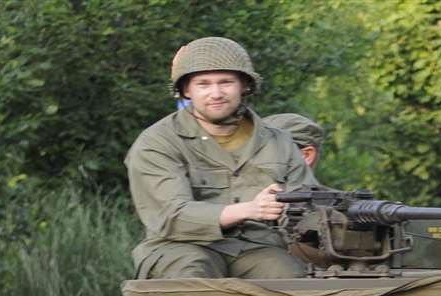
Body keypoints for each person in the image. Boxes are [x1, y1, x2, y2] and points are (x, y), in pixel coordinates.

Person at [125, 37, 313, 280]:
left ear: (244, 85)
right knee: (191, 272)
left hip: (256, 248)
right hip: (179, 245)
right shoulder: (157, 142)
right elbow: (172, 216)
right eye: (203, 84)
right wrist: (249, 209)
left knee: (289, 276)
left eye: (226, 82)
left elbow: (306, 207)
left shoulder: (279, 142)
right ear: (186, 90)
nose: (216, 93)